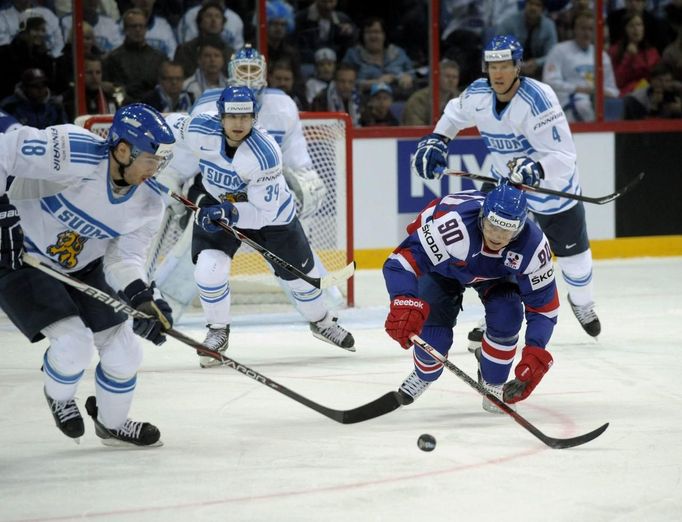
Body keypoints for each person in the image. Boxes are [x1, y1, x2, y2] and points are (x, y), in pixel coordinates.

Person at [0, 103, 176, 447]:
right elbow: (3, 147)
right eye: (152, 160)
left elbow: (124, 258)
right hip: (22, 256)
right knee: (73, 345)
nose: (156, 170)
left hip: (84, 266)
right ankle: (60, 395)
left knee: (125, 350)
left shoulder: (149, 203)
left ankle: (112, 424)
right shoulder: (71, 150)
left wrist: (141, 297)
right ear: (123, 149)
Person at [412, 34, 601, 350]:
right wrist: (438, 140)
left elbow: (564, 157)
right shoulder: (478, 94)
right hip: (506, 187)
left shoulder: (538, 100)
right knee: (496, 249)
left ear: (518, 66)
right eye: (492, 66)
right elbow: (454, 113)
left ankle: (582, 301)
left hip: (553, 187)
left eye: (504, 65)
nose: (498, 73)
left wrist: (536, 169)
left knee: (574, 259)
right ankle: (494, 315)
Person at [162, 86, 354, 368]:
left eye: (246, 117)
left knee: (303, 281)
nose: (239, 124)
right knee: (208, 268)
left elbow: (262, 214)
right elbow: (165, 125)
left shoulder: (264, 154)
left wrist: (226, 211)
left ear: (254, 117)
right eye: (232, 117)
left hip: (271, 218)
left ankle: (322, 322)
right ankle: (217, 331)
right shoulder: (199, 129)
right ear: (220, 116)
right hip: (220, 207)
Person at [157, 45, 334, 320]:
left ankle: (322, 313)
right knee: (198, 253)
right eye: (243, 70)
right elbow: (184, 155)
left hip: (264, 192)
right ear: (230, 74)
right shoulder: (207, 104)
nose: (249, 77)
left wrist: (307, 183)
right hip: (216, 194)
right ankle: (164, 306)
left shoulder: (283, 106)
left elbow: (299, 161)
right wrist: (171, 182)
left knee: (290, 245)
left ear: (264, 73)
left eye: (254, 71)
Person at [383, 182, 558, 412]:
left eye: (507, 230)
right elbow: (399, 263)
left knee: (508, 314)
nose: (497, 236)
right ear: (482, 216)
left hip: (495, 274)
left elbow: (544, 308)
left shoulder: (533, 247)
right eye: (492, 226)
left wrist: (536, 351)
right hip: (442, 267)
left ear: (520, 228)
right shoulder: (453, 226)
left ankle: (493, 383)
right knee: (434, 339)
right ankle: (423, 374)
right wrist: (403, 302)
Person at [542, 10, 620, 122]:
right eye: (583, 28)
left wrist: (601, 92)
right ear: (574, 30)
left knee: (616, 105)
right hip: (567, 102)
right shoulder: (559, 50)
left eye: (590, 29)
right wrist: (578, 89)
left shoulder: (602, 56)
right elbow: (549, 81)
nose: (587, 33)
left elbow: (614, 91)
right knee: (582, 105)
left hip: (597, 100)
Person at [402, 59, 461, 126]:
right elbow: (416, 127)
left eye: (455, 77)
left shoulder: (461, 99)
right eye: (447, 76)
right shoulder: (419, 99)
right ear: (436, 77)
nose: (451, 80)